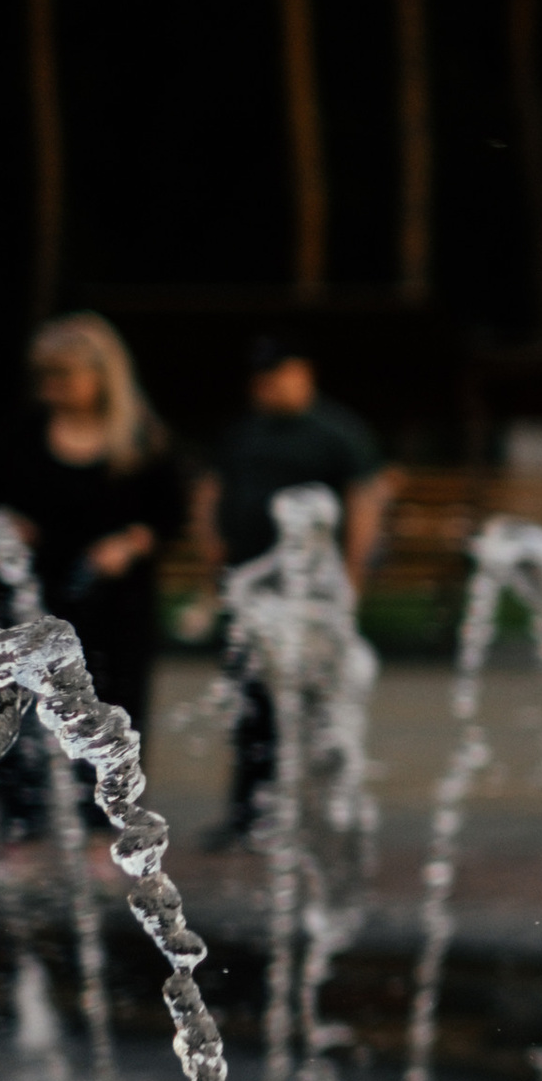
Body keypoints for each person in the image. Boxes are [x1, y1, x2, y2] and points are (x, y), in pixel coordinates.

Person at [0, 315, 186, 852]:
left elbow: (170, 515)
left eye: (65, 375)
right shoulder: (22, 434)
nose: (52, 387)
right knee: (18, 706)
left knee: (112, 711)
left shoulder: (142, 438)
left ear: (102, 375)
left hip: (115, 600)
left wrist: (130, 543)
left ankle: (107, 829)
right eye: (45, 376)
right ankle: (22, 829)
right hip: (36, 597)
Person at [199, 339, 393, 844]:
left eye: (280, 375)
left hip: (308, 592)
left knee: (312, 706)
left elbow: (363, 501)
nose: (271, 387)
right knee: (250, 701)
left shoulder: (335, 433)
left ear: (303, 374)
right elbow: (213, 487)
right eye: (262, 379)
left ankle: (313, 814)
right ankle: (248, 812)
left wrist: (353, 577)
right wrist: (210, 548)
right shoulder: (244, 431)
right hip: (249, 589)